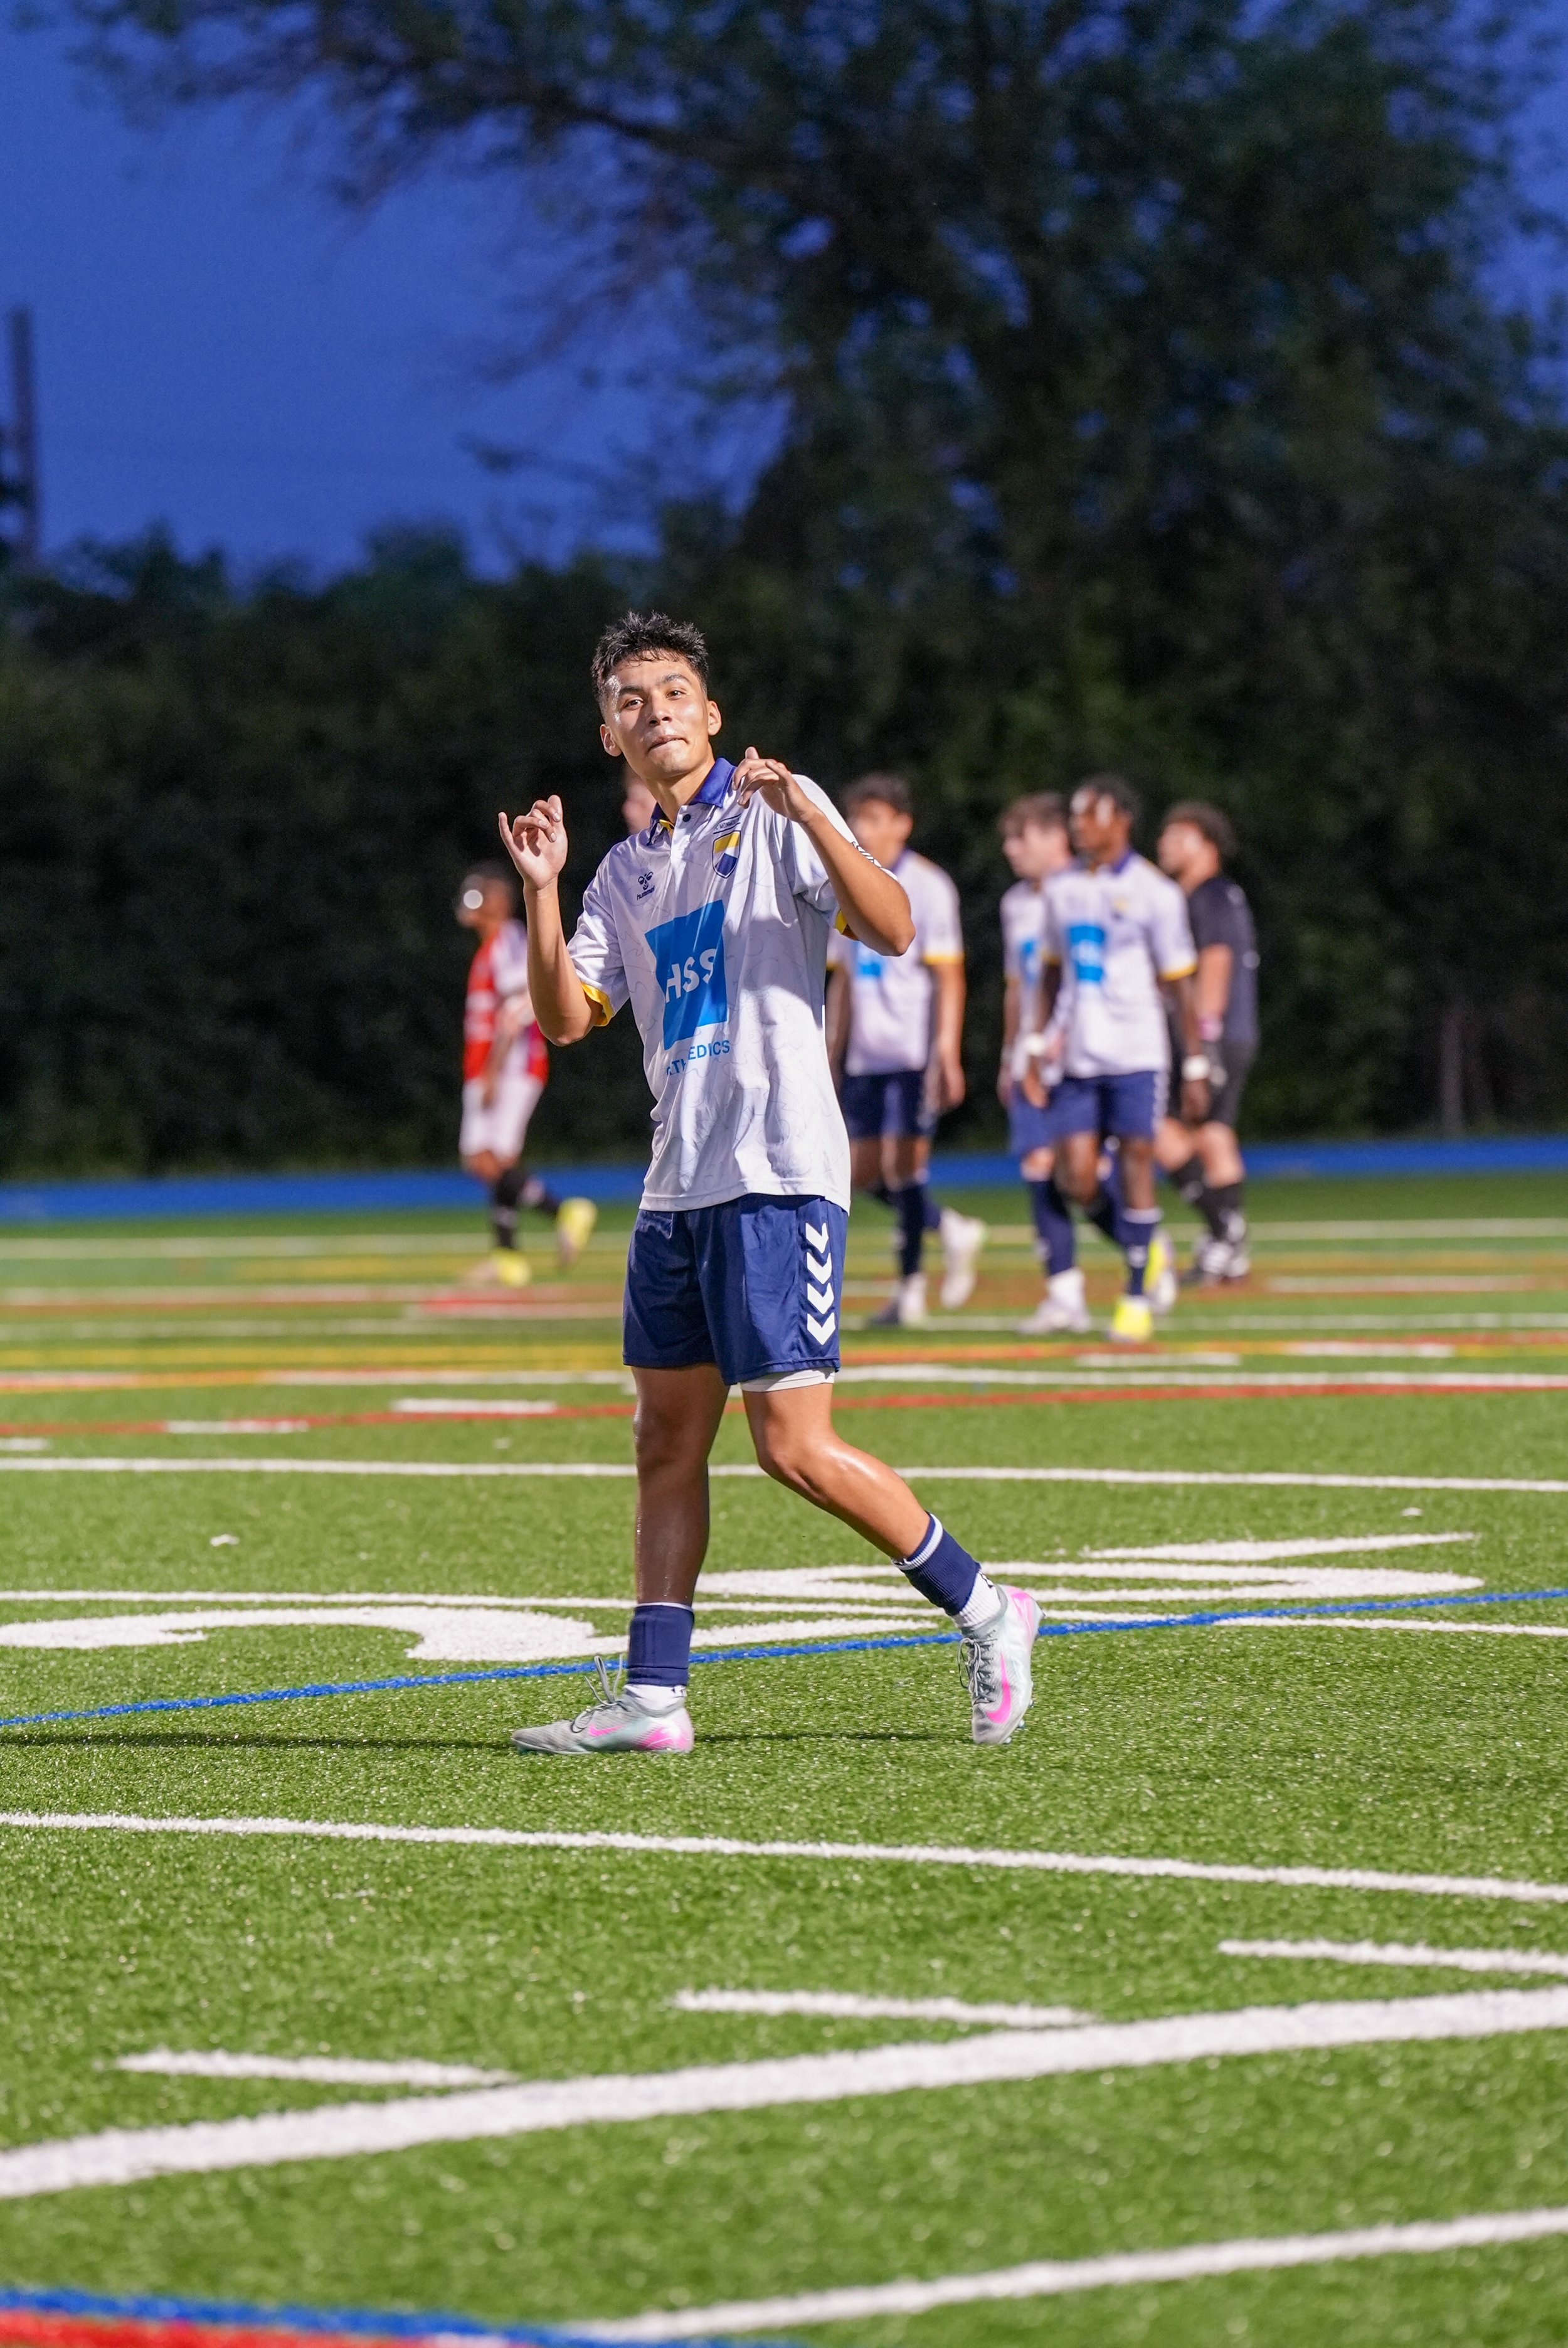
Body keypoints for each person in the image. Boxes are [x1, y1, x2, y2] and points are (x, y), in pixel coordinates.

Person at [497, 610, 1040, 1755]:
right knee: (663, 1440)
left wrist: (812, 817)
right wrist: (542, 891)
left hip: (780, 1168)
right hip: (676, 1185)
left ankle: (993, 1608)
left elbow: (891, 926)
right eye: (633, 700)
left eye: (675, 692)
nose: (657, 714)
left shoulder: (778, 811)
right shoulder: (621, 875)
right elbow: (563, 1018)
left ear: (712, 712)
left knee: (792, 1445)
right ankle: (654, 1700)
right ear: (609, 734)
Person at [1028, 776, 1207, 1343]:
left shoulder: (1157, 892)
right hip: (1079, 1055)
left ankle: (1134, 1295)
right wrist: (1036, 1044)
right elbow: (1052, 973)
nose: (1078, 825)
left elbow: (1179, 984)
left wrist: (1196, 1062)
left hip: (1136, 1050)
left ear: (1122, 819)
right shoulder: (1062, 890)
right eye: (1076, 815)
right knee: (1076, 1175)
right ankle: (1148, 1248)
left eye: (1090, 814)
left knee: (1136, 1163)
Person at [825, 773, 987, 1326]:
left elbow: (949, 976)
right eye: (858, 817)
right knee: (859, 1172)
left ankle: (911, 1287)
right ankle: (949, 1229)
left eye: (875, 817)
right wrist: (830, 1051)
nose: (864, 828)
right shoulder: (846, 877)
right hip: (868, 1055)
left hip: (912, 1052)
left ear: (903, 823)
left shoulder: (929, 884)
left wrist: (946, 1049)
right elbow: (842, 980)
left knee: (904, 1166)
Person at [456, 864, 597, 1285]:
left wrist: (493, 1070)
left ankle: (555, 1218)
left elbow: (517, 1008)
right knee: (489, 1160)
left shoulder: (508, 942)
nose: (471, 902)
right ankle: (509, 1253)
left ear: (498, 901)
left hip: (511, 1066)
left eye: (480, 895)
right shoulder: (494, 944)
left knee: (489, 1159)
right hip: (497, 1066)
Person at [1156, 802, 1258, 1280]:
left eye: (1181, 837)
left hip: (1212, 1032)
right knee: (1214, 1132)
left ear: (1208, 845)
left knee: (1162, 1128)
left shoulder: (1209, 895)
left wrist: (1204, 1036)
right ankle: (1228, 1242)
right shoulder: (1200, 895)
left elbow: (1215, 963)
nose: (1167, 844)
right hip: (1226, 1030)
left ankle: (1224, 1231)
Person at [997, 793, 1088, 1334]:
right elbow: (1017, 986)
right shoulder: (1015, 903)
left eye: (1021, 837)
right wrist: (1013, 1050)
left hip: (1083, 1052)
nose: (1011, 849)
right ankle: (1064, 1291)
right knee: (1037, 1164)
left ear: (1058, 838)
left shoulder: (1088, 891)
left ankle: (1147, 1249)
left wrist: (1067, 1034)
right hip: (1032, 1053)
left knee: (1085, 1176)